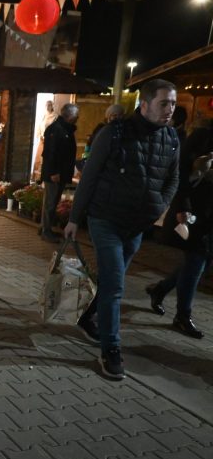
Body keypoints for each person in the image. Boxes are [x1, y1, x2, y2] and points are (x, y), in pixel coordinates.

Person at [65, 79, 180, 380]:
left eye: (173, 103)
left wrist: (159, 205)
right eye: (164, 103)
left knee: (110, 281)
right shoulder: (114, 134)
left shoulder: (171, 138)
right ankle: (110, 350)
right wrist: (74, 218)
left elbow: (173, 178)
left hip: (137, 226)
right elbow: (89, 177)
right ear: (144, 105)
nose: (170, 109)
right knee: (115, 285)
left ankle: (88, 316)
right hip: (106, 220)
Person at [145, 119, 213, 339]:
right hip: (196, 212)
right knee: (196, 262)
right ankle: (182, 316)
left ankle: (160, 289)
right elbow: (180, 175)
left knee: (198, 264)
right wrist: (198, 174)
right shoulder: (202, 136)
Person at [40, 103, 79, 242]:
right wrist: (54, 172)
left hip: (59, 173)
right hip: (55, 174)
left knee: (52, 201)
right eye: (76, 115)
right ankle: (46, 230)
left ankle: (45, 228)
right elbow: (50, 153)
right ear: (69, 116)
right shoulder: (57, 129)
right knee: (50, 202)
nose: (78, 118)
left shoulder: (64, 129)